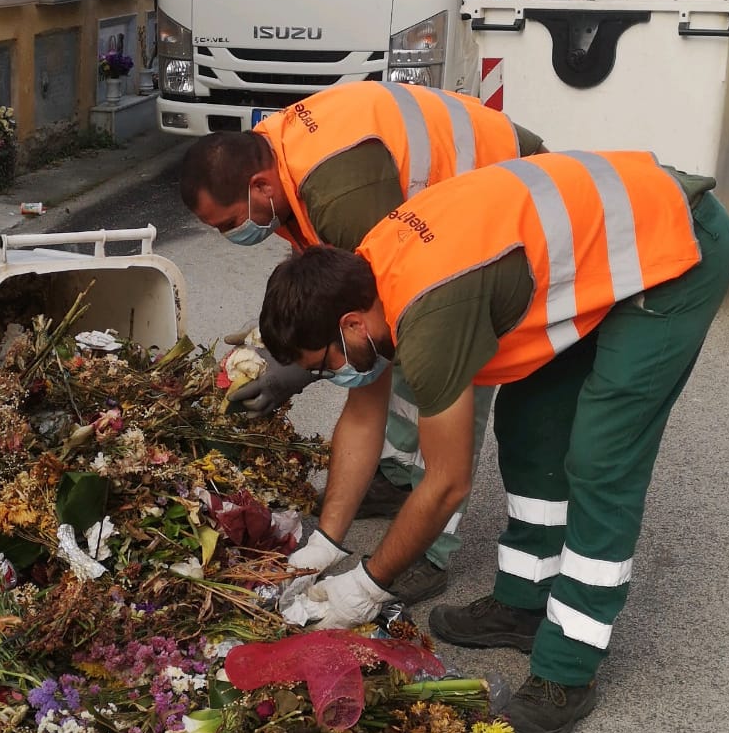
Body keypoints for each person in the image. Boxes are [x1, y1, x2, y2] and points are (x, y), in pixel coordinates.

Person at [257, 151, 729, 733]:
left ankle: (569, 670)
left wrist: (368, 584)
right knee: (531, 424)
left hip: (675, 247)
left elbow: (448, 482)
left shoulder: (427, 317)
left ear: (352, 324)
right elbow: (367, 416)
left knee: (602, 457)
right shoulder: (370, 267)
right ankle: (524, 602)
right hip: (609, 247)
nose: (333, 377)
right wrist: (326, 545)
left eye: (324, 366)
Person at [178, 83, 543, 604]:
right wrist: (327, 542)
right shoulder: (273, 162)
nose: (229, 237)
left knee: (433, 368)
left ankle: (427, 550)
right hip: (453, 210)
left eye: (231, 223)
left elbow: (369, 348)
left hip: (513, 203)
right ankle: (395, 479)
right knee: (383, 356)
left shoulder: (343, 196)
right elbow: (330, 290)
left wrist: (305, 370)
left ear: (260, 186)